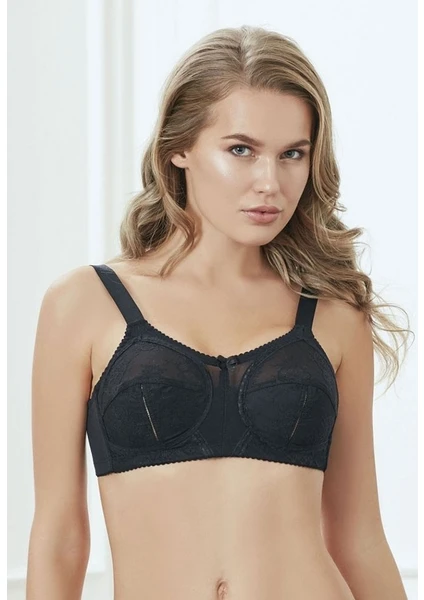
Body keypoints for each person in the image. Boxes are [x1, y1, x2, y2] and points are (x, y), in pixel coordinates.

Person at [26, 25, 412, 600]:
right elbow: (60, 538)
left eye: (292, 154)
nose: (270, 183)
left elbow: (359, 538)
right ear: (178, 148)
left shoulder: (333, 315)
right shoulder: (84, 304)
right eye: (241, 150)